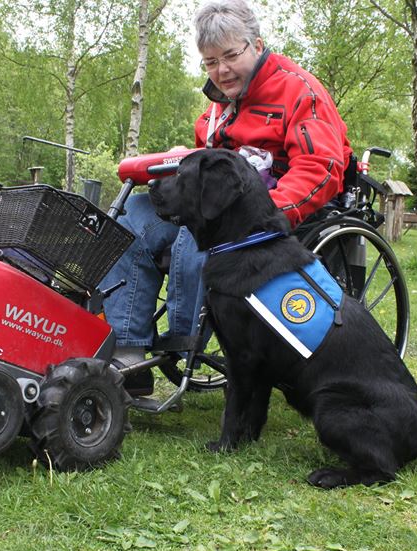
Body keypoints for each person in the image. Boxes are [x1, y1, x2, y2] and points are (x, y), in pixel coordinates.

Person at [98, 0, 351, 396]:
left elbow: (320, 167)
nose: (222, 70)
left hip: (272, 212)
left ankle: (184, 340)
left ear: (257, 45)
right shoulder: (217, 107)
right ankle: (129, 352)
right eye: (211, 62)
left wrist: (267, 214)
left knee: (198, 227)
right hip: (219, 204)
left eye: (231, 56)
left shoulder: (299, 91)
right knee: (131, 219)